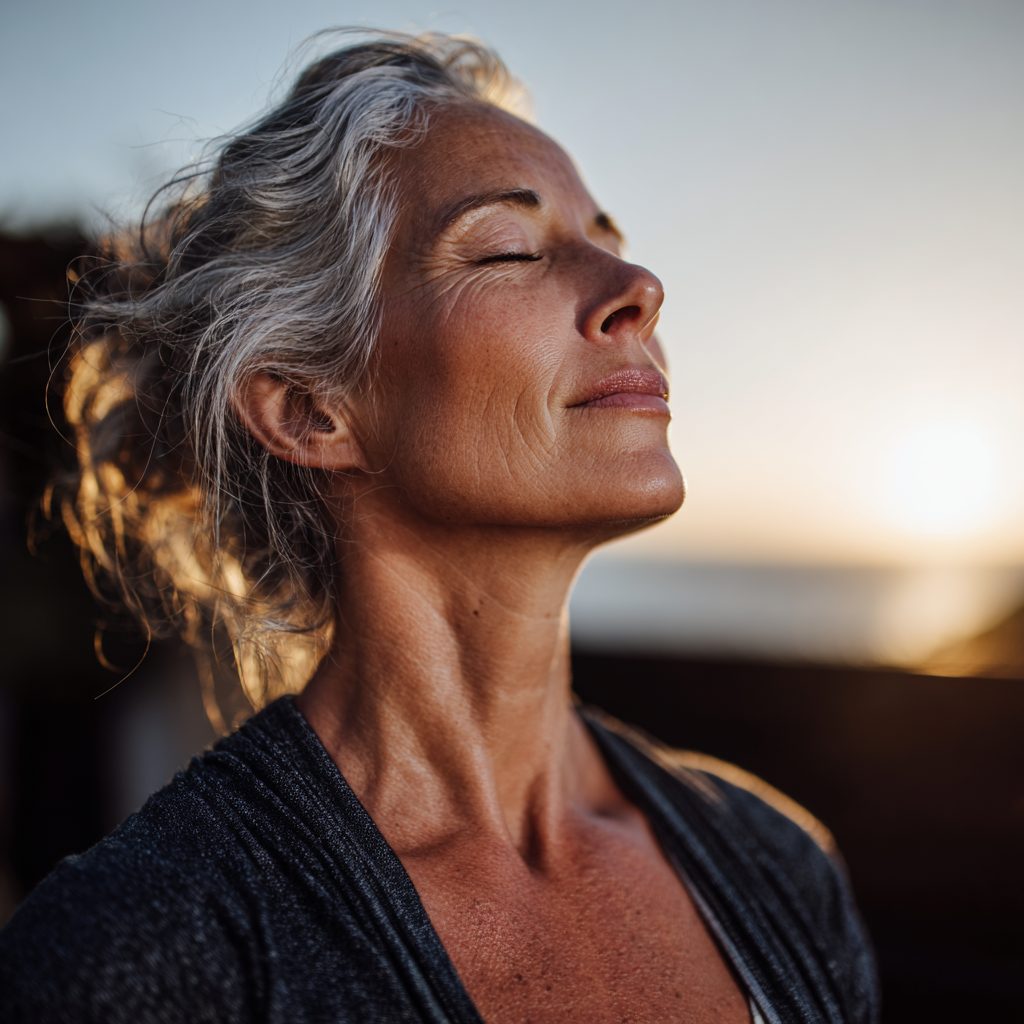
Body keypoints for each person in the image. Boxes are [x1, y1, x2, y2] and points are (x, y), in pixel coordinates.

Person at [0, 31, 878, 1024]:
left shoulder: (775, 862)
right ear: (309, 408)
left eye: (609, 241)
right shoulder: (142, 950)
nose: (640, 288)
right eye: (511, 250)